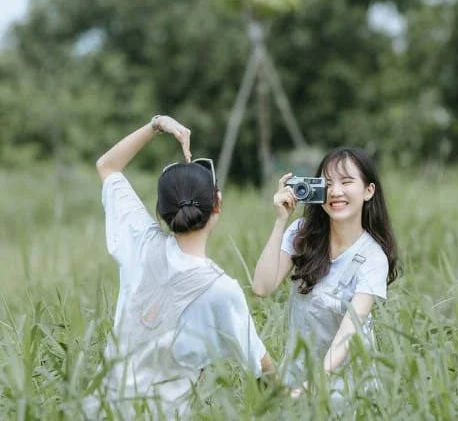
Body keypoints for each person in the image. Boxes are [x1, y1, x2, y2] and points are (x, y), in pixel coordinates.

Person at [85, 114, 274, 419]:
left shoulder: (142, 244)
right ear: (218, 205)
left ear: (161, 211)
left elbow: (107, 166)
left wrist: (157, 125)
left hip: (101, 409)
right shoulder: (221, 289)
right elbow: (262, 367)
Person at [252, 147, 398, 397]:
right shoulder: (302, 234)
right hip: (295, 378)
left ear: (368, 190)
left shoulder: (373, 258)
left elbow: (349, 333)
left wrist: (312, 387)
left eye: (347, 182)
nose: (336, 191)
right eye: (327, 183)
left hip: (349, 389)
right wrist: (281, 221)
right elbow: (261, 288)